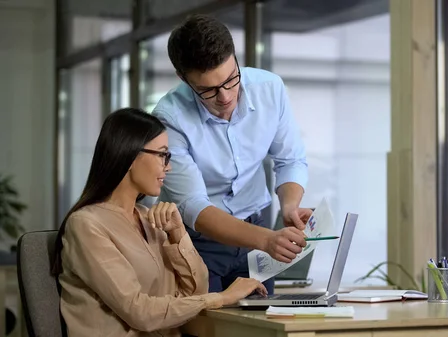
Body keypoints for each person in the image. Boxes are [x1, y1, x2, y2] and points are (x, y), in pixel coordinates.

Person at [52, 108, 267, 337]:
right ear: (130, 155)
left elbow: (195, 291)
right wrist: (223, 297)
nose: (169, 166)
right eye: (163, 155)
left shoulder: (150, 218)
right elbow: (138, 311)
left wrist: (178, 234)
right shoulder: (86, 225)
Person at [152, 14, 311, 295]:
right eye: (207, 90)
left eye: (230, 80)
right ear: (183, 78)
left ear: (235, 58)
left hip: (255, 228)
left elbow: (290, 160)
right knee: (206, 326)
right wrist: (267, 240)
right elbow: (194, 207)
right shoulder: (169, 117)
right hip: (197, 240)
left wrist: (289, 207)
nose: (225, 97)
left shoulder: (269, 89)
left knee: (260, 324)